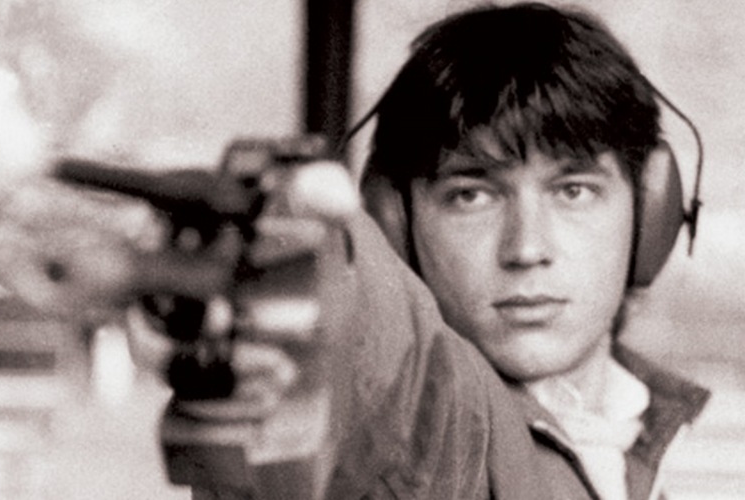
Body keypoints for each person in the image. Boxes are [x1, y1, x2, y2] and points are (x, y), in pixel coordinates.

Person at [123, 2, 710, 499]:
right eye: (472, 195)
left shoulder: (650, 429)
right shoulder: (444, 428)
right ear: (395, 222)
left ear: (651, 212)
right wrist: (292, 280)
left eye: (573, 190)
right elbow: (396, 370)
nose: (527, 248)